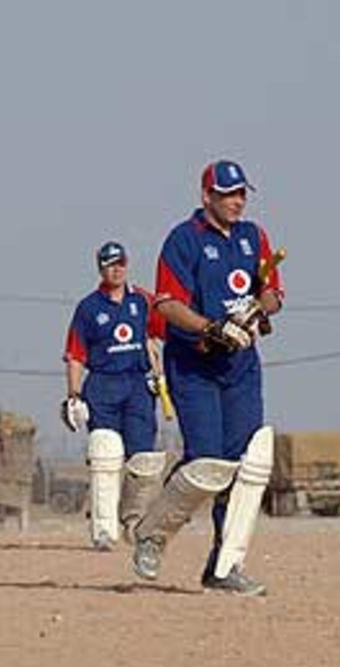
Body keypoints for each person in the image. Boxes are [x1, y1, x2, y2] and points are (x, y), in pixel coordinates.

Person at [132, 160, 284, 596]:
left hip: (241, 368)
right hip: (195, 363)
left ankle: (224, 566)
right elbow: (165, 305)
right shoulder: (184, 240)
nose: (237, 201)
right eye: (227, 194)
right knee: (206, 464)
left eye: (241, 194)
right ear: (207, 197)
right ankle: (151, 534)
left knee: (241, 467)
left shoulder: (254, 236)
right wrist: (212, 328)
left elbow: (272, 292)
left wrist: (257, 311)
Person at [61, 241, 167, 551]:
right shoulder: (88, 308)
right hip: (103, 384)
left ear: (127, 264)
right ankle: (104, 530)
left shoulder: (143, 300)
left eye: (120, 263)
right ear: (101, 269)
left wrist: (162, 374)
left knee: (144, 460)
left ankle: (134, 522)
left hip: (138, 385)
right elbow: (76, 355)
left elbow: (166, 330)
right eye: (110, 264)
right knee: (105, 454)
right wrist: (74, 395)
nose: (116, 269)